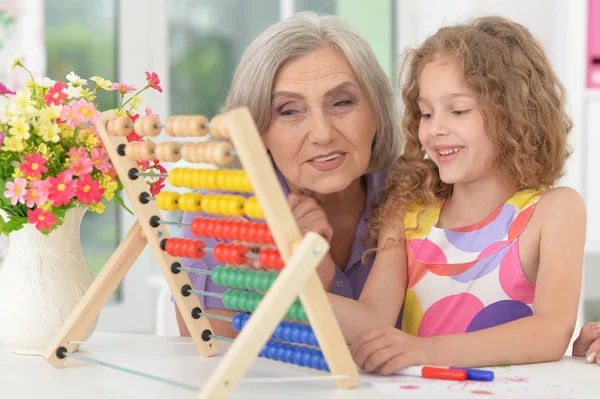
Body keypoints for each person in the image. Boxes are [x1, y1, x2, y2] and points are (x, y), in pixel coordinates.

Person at [328, 15, 587, 373]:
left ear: (514, 114)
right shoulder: (406, 213)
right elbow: (372, 319)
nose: (435, 129)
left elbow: (551, 332)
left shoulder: (554, 212)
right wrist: (285, 289)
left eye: (458, 110)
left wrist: (428, 351)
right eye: (426, 113)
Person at [175, 11, 403, 338]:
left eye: (341, 102)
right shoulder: (218, 215)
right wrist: (303, 281)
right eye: (289, 111)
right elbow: (213, 357)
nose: (323, 134)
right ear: (258, 130)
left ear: (377, 113)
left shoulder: (416, 193)